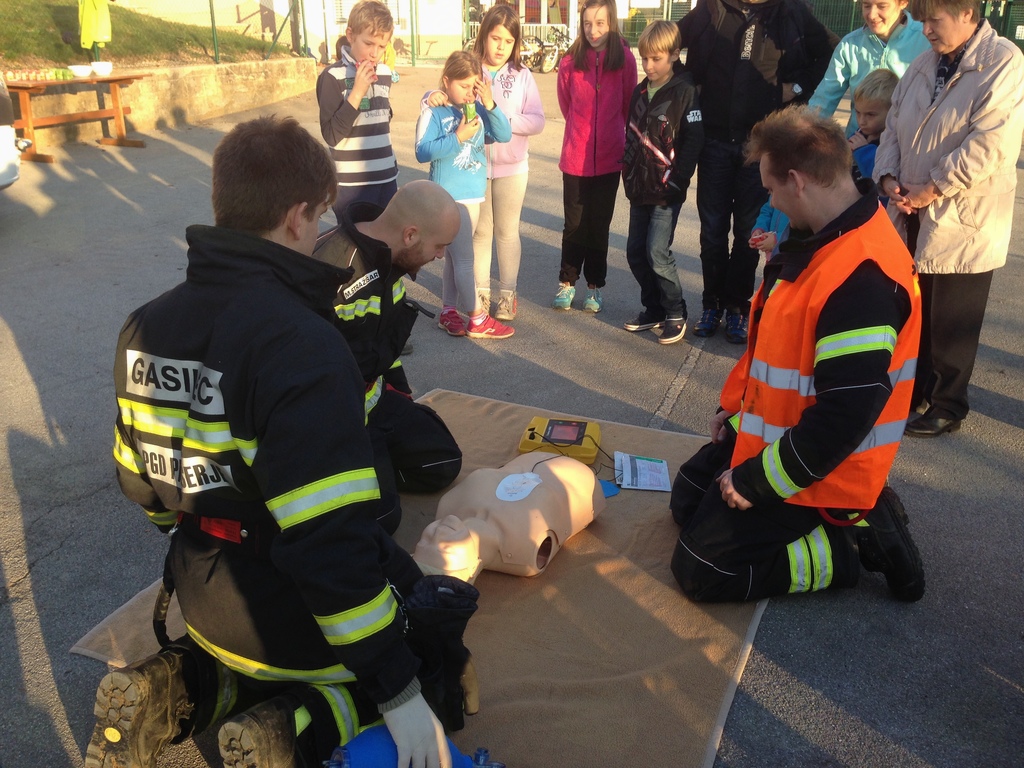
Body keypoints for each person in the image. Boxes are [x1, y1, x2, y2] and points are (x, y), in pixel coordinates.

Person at [87, 116, 458, 768]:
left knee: (249, 647)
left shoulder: (143, 325)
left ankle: (181, 684)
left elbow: (137, 481)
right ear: (295, 217)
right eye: (318, 217)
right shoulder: (303, 347)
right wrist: (400, 685)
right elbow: (328, 548)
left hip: (198, 593)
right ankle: (288, 732)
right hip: (282, 618)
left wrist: (199, 529)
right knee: (433, 651)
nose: (319, 232)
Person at [669, 106, 926, 604]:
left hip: (828, 465)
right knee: (687, 500)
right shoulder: (823, 233)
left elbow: (843, 418)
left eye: (771, 188)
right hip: (788, 433)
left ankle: (848, 544)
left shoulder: (863, 279)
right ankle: (831, 526)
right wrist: (738, 408)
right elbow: (783, 346)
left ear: (798, 181)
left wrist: (756, 482)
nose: (771, 200)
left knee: (701, 568)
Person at [874, 0, 1024, 437]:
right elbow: (893, 124)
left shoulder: (1003, 62)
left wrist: (934, 186)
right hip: (912, 207)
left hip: (963, 214)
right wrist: (888, 176)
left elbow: (991, 142)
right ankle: (916, 391)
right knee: (917, 310)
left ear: (966, 14)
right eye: (922, 21)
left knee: (953, 318)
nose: (925, 30)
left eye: (933, 21)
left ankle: (948, 404)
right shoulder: (925, 63)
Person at [678, 0, 835, 343]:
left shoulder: (790, 11)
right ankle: (711, 304)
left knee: (749, 232)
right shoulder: (712, 7)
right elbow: (669, 39)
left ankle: (737, 306)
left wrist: (797, 88)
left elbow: (829, 50)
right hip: (715, 142)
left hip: (760, 147)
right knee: (712, 232)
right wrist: (688, 83)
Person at [315, 180, 465, 536]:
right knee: (382, 521)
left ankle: (374, 467)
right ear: (410, 235)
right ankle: (355, 478)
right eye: (440, 246)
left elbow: (386, 350)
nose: (440, 256)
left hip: (374, 399)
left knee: (444, 461)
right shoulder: (331, 269)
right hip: (334, 417)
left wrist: (403, 397)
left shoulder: (392, 262)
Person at [415, 50, 514, 340]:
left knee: (454, 259)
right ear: (446, 81)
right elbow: (422, 151)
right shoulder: (434, 112)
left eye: (474, 86)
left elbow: (504, 134)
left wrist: (489, 103)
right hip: (448, 198)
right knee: (465, 261)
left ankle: (448, 311)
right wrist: (457, 137)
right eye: (463, 85)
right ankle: (477, 318)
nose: (470, 92)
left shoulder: (478, 109)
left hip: (472, 196)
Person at [620, 20, 704, 345]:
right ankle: (653, 308)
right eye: (644, 58)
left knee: (657, 252)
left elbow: (694, 140)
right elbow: (631, 134)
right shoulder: (639, 91)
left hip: (667, 190)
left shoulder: (685, 91)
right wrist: (628, 170)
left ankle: (675, 312)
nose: (648, 65)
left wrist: (679, 179)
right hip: (639, 186)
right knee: (635, 253)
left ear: (673, 54)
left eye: (656, 58)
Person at [552, 0, 637, 313]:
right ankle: (567, 282)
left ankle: (594, 286)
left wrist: (613, 135)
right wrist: (580, 132)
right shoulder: (569, 61)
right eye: (588, 23)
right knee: (574, 224)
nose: (593, 30)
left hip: (610, 157)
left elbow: (629, 105)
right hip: (576, 157)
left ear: (611, 23)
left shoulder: (625, 59)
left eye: (600, 23)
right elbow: (566, 104)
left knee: (599, 225)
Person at [414, 454, 606, 583]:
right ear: (474, 566)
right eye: (445, 549)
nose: (437, 534)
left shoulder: (449, 506)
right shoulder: (525, 549)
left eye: (425, 540)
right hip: (578, 478)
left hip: (530, 460)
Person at [471, 3, 546, 322]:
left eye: (508, 40)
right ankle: (480, 294)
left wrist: (504, 120)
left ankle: (507, 295)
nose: (501, 46)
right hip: (474, 168)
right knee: (480, 233)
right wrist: (427, 99)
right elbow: (444, 97)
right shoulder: (469, 68)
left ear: (516, 43)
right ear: (483, 36)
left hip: (512, 169)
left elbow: (538, 120)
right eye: (495, 38)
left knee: (506, 232)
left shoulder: (522, 75)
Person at [317, 0, 400, 220]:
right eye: (369, 43)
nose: (375, 53)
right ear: (351, 35)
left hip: (386, 178)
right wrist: (357, 93)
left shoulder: (384, 72)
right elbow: (331, 135)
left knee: (387, 239)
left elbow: (381, 121)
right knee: (355, 239)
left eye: (382, 46)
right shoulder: (332, 76)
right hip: (351, 185)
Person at [808, 0, 930, 137]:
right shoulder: (851, 44)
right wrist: (804, 134)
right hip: (859, 144)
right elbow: (823, 100)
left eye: (882, 6)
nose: (872, 15)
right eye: (866, 5)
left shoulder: (927, 40)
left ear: (903, 3)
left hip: (905, 142)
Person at [847, 68, 898, 184]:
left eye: (870, 115)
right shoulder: (860, 134)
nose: (862, 121)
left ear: (891, 112)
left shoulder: (891, 142)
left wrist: (863, 152)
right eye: (858, 112)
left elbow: (879, 176)